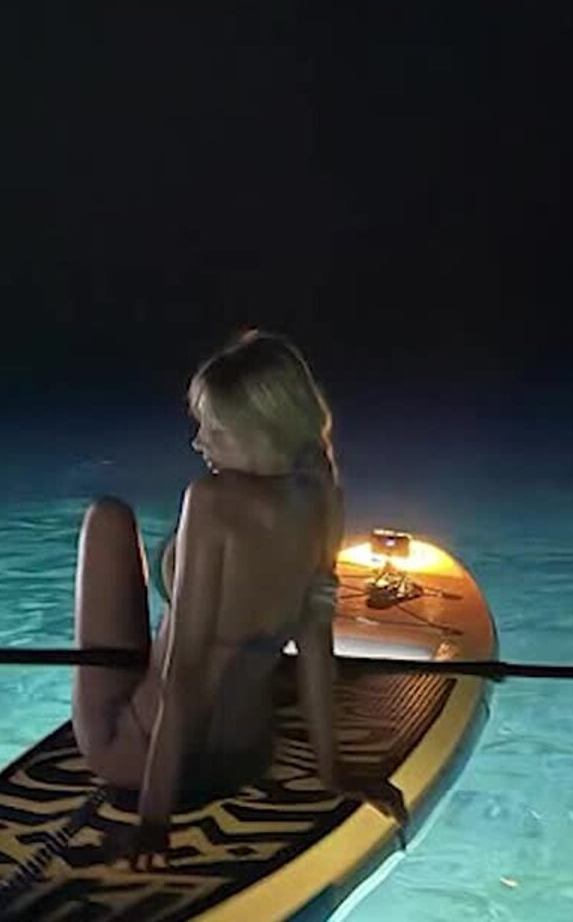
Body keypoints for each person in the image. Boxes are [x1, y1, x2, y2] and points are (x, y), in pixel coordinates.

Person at [70, 330, 408, 870]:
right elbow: (316, 647)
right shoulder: (324, 497)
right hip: (246, 760)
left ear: (263, 433)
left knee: (107, 518)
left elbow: (184, 673)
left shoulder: (211, 502)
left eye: (215, 430)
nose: (198, 442)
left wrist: (153, 822)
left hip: (135, 752)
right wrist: (333, 771)